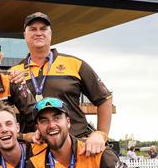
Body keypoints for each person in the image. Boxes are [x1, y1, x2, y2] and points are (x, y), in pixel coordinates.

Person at [10, 12, 112, 156]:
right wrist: (21, 136)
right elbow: (3, 112)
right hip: (36, 152)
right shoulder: (14, 72)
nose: (38, 33)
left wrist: (101, 134)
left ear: (50, 34)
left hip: (77, 148)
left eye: (43, 29)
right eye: (33, 29)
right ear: (25, 35)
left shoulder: (75, 64)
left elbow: (104, 98)